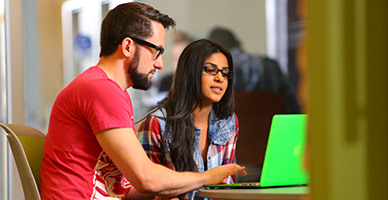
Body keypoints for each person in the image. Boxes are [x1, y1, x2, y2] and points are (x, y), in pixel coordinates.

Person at [40, 3, 246, 200]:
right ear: (128, 46)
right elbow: (146, 180)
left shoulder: (109, 91)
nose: (159, 64)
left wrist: (169, 192)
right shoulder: (101, 90)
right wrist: (207, 177)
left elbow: (126, 187)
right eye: (156, 51)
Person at [135, 39, 238, 200]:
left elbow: (228, 182)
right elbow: (146, 189)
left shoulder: (228, 120)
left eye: (225, 73)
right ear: (191, 72)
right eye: (211, 70)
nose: (220, 78)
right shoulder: (156, 123)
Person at [209, 27, 300, 113]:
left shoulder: (215, 71)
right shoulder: (271, 64)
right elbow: (294, 107)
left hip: (230, 129)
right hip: (271, 128)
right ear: (239, 44)